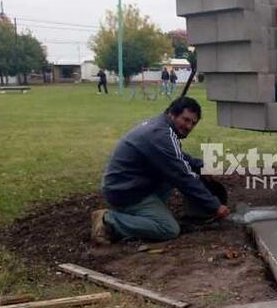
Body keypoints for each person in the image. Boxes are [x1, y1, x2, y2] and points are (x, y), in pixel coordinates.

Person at [91, 97, 230, 244]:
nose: (189, 126)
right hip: (125, 192)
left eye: (193, 123)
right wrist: (214, 205)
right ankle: (109, 221)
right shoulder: (161, 135)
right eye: (186, 120)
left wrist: (200, 166)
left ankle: (143, 214)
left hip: (127, 183)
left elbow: (177, 157)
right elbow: (182, 176)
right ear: (172, 114)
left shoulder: (161, 127)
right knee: (168, 228)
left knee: (173, 174)